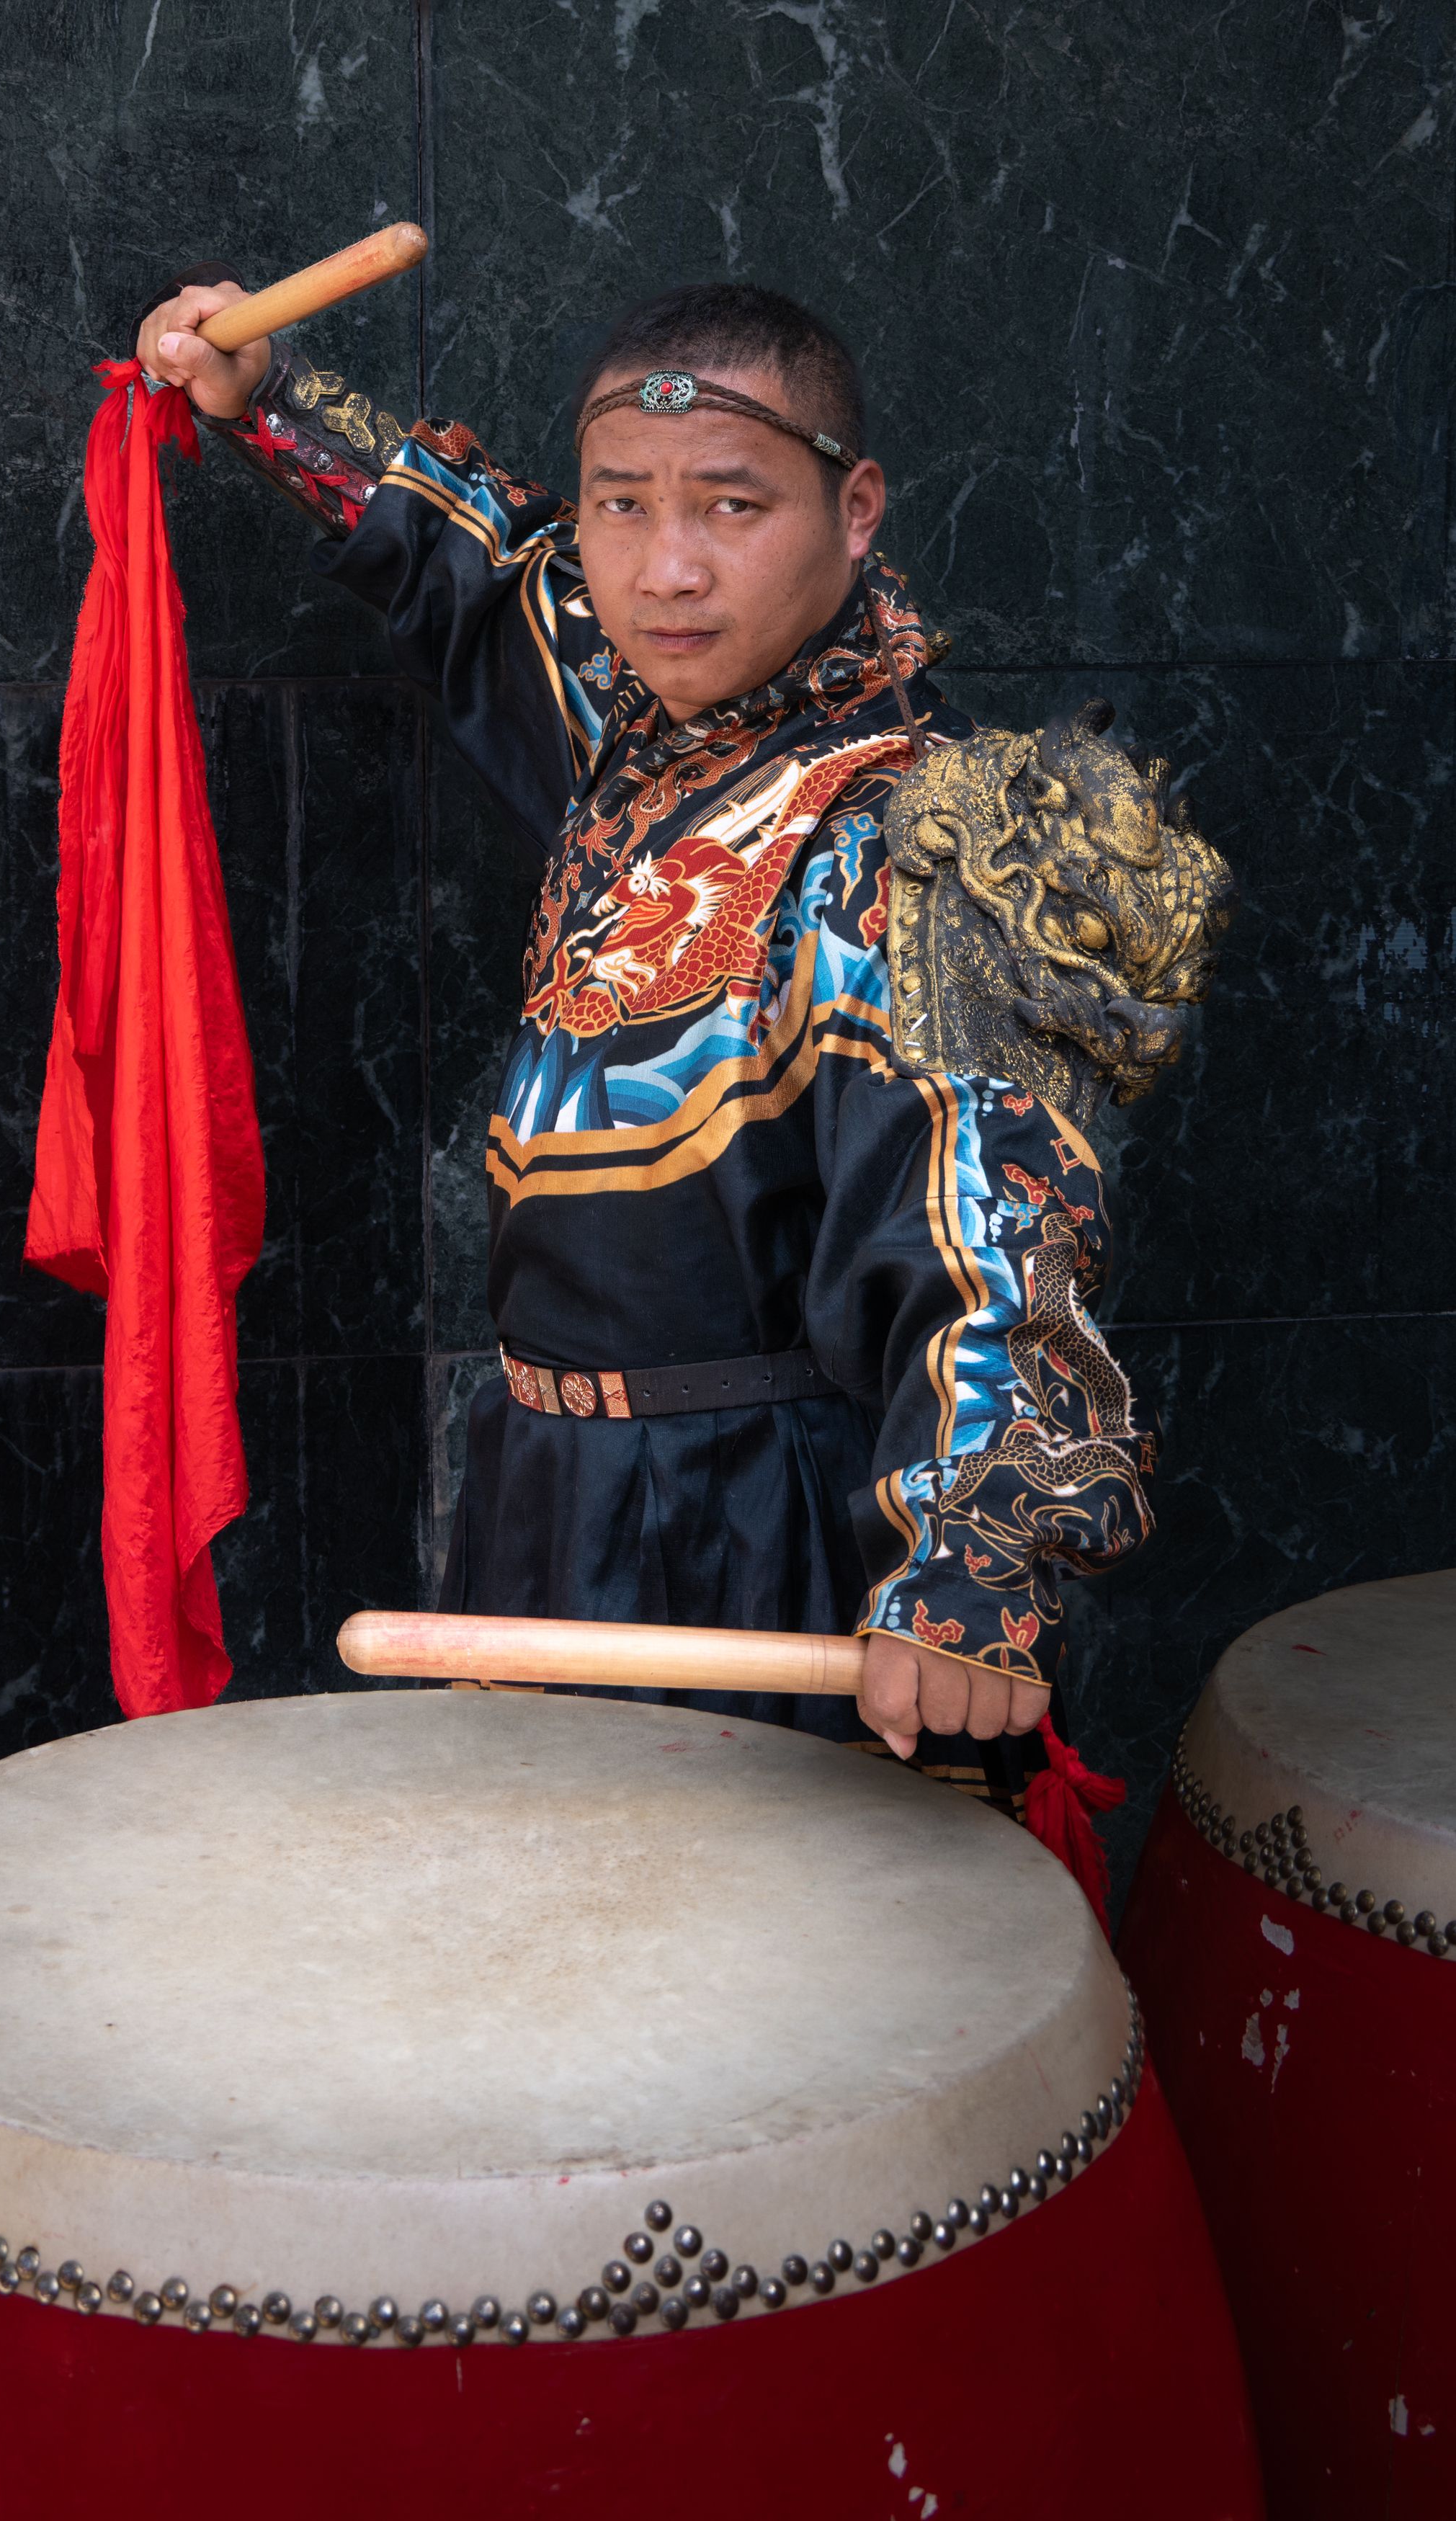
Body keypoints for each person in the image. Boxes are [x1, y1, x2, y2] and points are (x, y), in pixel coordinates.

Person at [128, 264, 1157, 1810]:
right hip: (543, 1497)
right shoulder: (640, 713)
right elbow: (485, 572)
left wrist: (976, 1563)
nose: (667, 569)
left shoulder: (920, 836)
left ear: (855, 510)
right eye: (624, 505)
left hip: (758, 1528)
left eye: (733, 506)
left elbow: (999, 1240)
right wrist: (267, 398)